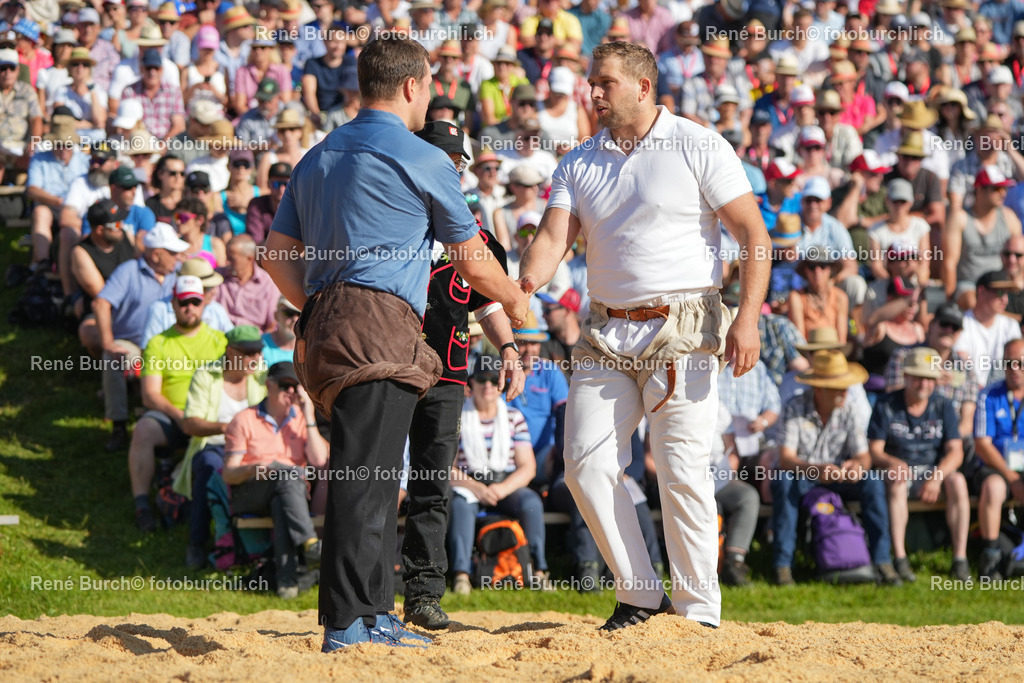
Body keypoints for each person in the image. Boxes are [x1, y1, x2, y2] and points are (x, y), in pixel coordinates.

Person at [261, 36, 528, 650]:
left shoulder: (317, 155)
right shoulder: (423, 157)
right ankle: (349, 623)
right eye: (431, 84)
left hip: (324, 327)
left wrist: (324, 304)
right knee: (365, 475)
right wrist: (515, 300)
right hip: (379, 324)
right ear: (412, 86)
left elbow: (275, 256)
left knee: (376, 474)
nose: (431, 94)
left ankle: (375, 611)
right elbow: (473, 262)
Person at [518, 41, 771, 630]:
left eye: (605, 82)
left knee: (682, 472)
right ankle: (639, 593)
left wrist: (749, 317)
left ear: (643, 86)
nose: (594, 93)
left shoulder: (699, 144)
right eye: (591, 82)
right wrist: (520, 286)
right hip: (607, 331)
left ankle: (698, 615)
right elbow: (553, 240)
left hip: (684, 326)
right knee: (583, 464)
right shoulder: (579, 160)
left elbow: (754, 236)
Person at [401, 120, 525, 631]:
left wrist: (510, 347)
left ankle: (423, 597)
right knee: (378, 480)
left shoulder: (469, 229)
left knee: (432, 485)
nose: (454, 167)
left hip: (449, 373)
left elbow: (487, 297)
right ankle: (362, 595)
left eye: (458, 161)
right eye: (445, 158)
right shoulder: (393, 216)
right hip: (393, 365)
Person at [771, 350, 901, 586]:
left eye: (845, 385)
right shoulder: (793, 407)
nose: (845, 391)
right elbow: (786, 460)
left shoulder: (849, 408)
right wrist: (816, 470)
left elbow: (864, 457)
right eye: (839, 387)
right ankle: (783, 566)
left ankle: (883, 560)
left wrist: (856, 466)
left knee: (872, 481)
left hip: (839, 475)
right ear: (819, 389)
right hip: (805, 475)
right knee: (783, 481)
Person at [131, 275, 228, 532]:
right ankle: (142, 505)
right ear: (173, 304)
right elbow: (150, 395)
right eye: (184, 302)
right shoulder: (158, 343)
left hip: (209, 416)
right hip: (171, 416)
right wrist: (179, 416)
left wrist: (198, 419)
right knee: (142, 430)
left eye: (195, 302)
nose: (189, 308)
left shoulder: (220, 342)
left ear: (204, 303)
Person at [223, 361, 327, 597]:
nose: (291, 392)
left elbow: (320, 461)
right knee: (287, 479)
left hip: (291, 495)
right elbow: (229, 473)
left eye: (296, 387)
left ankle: (287, 583)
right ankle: (310, 544)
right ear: (269, 385)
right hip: (250, 491)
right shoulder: (244, 419)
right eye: (285, 385)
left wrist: (309, 416)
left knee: (285, 491)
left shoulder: (301, 419)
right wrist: (253, 468)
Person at [869, 347, 971, 583]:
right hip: (899, 472)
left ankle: (960, 559)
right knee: (897, 479)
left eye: (929, 378)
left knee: (958, 481)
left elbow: (956, 452)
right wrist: (893, 462)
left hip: (934, 471)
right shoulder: (886, 404)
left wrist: (936, 477)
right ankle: (900, 558)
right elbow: (874, 450)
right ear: (906, 377)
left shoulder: (944, 406)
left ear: (936, 381)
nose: (924, 383)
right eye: (918, 377)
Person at [447, 369, 547, 596]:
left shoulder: (514, 417)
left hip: (506, 483)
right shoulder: (458, 417)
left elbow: (528, 467)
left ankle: (538, 570)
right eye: (482, 379)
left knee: (531, 503)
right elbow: (447, 468)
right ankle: (461, 574)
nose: (488, 385)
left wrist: (501, 489)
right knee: (460, 506)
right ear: (472, 382)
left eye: (494, 380)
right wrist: (477, 488)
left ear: (501, 384)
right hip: (469, 484)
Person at [178, 325, 267, 568]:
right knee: (210, 467)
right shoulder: (206, 375)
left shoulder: (263, 376)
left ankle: (263, 548)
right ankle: (197, 542)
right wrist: (228, 427)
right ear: (230, 351)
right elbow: (190, 423)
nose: (255, 358)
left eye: (258, 351)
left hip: (255, 449)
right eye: (248, 352)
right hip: (216, 446)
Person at [94, 222, 188, 452]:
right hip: (134, 344)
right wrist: (107, 342)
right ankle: (118, 424)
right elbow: (101, 303)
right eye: (173, 253)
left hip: (170, 344)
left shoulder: (179, 274)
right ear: (156, 254)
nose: (178, 257)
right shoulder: (129, 271)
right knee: (114, 355)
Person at [974, 338, 1024, 580]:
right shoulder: (989, 395)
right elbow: (982, 444)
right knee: (994, 487)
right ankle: (991, 556)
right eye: (1010, 363)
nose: (1015, 369)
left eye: (1020, 364)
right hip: (995, 466)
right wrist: (1011, 476)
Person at [73, 199, 136, 357]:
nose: (120, 227)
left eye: (121, 222)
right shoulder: (82, 252)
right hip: (102, 310)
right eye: (115, 225)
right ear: (100, 230)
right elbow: (102, 296)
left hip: (133, 301)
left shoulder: (125, 236)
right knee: (91, 335)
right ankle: (105, 368)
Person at [213, 233, 281, 331]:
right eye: (227, 257)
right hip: (220, 336)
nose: (226, 262)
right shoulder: (217, 276)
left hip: (253, 340)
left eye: (231, 259)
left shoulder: (268, 284)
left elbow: (272, 325)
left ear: (249, 259)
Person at [261, 296, 299, 367]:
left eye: (300, 313)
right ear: (276, 316)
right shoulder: (260, 345)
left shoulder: (310, 350)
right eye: (289, 313)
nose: (295, 319)